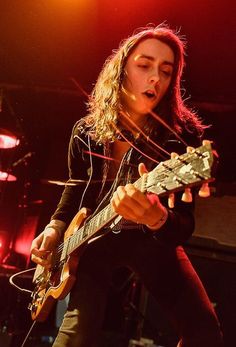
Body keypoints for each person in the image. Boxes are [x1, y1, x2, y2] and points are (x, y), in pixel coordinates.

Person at [30, 24, 224, 347]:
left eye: (166, 70)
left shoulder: (180, 136)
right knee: (76, 337)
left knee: (204, 332)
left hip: (150, 241)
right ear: (121, 69)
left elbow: (184, 224)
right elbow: (74, 189)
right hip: (91, 242)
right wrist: (54, 228)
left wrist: (157, 219)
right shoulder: (85, 132)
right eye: (144, 65)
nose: (155, 78)